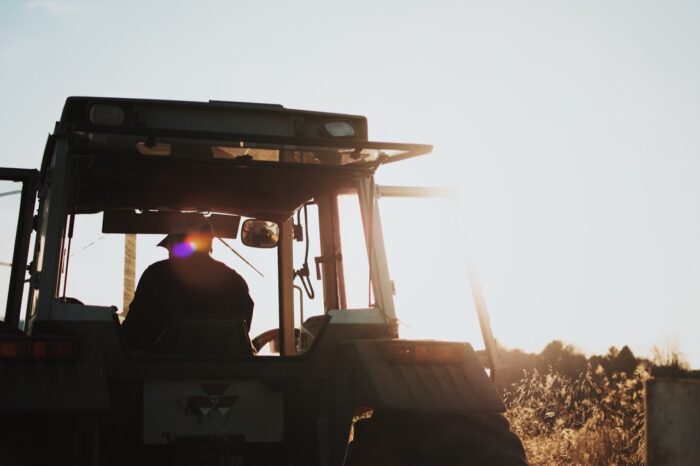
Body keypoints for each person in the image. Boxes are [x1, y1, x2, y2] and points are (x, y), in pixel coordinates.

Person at [121, 224, 254, 350]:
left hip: (160, 371)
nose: (169, 253)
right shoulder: (236, 282)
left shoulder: (156, 275)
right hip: (227, 371)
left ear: (177, 244)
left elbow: (132, 334)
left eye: (169, 246)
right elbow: (242, 334)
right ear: (209, 242)